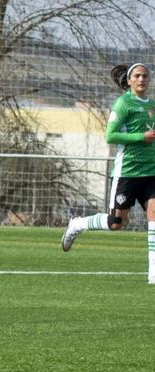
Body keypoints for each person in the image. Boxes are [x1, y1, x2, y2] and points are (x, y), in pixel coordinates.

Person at [61, 63, 155, 284]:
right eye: (137, 76)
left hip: (151, 172)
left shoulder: (152, 104)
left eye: (145, 76)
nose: (142, 79)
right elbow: (110, 136)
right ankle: (77, 224)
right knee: (116, 223)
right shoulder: (122, 104)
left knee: (154, 216)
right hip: (128, 172)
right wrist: (142, 137)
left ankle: (153, 272)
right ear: (129, 80)